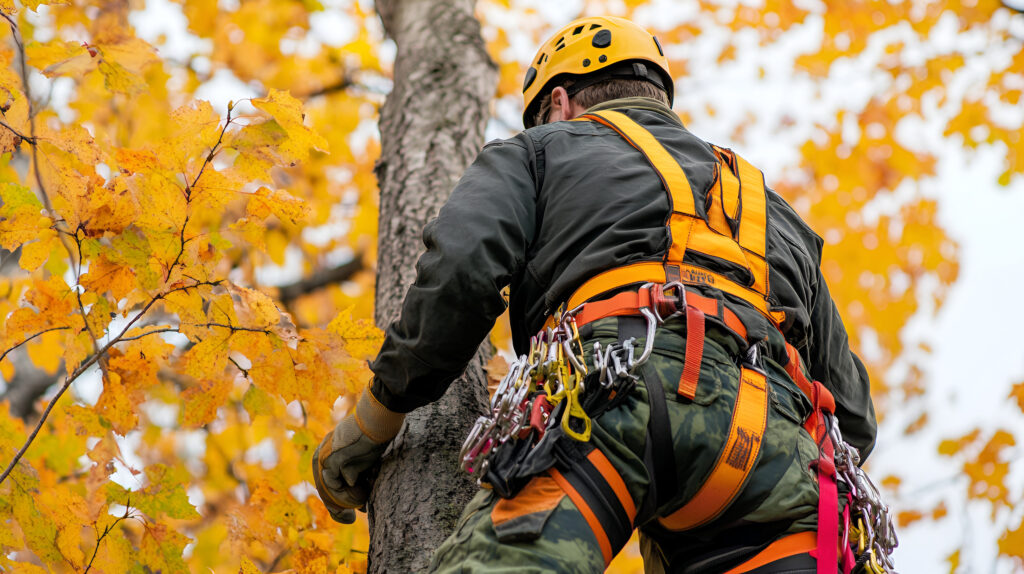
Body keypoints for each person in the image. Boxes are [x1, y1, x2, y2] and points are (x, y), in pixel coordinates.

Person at [312, 15, 877, 574]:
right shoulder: (773, 211)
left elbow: (461, 270)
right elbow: (853, 419)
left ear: (559, 102)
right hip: (775, 448)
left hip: (611, 389)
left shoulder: (538, 150)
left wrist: (379, 414)